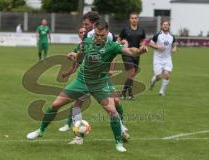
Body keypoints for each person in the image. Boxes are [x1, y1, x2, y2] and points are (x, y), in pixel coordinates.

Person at [26, 20, 147, 152]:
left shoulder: (112, 46)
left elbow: (130, 51)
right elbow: (80, 55)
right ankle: (40, 130)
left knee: (112, 112)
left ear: (107, 33)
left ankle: (118, 143)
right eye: (97, 35)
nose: (99, 38)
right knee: (55, 105)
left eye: (102, 35)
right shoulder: (87, 42)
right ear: (94, 32)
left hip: (99, 84)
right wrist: (75, 57)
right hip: (81, 81)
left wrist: (140, 51)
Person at [58, 12, 129, 145]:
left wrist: (111, 69)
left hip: (102, 77)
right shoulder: (86, 37)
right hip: (86, 77)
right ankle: (78, 137)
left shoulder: (108, 36)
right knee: (77, 104)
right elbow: (79, 58)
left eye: (86, 24)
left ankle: (122, 129)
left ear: (93, 23)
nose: (84, 27)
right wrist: (69, 70)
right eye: (83, 25)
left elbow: (114, 53)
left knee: (115, 101)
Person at [118, 12, 146, 100]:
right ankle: (130, 94)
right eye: (132, 18)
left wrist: (143, 46)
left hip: (136, 54)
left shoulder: (141, 30)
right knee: (132, 72)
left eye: (136, 18)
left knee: (132, 75)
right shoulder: (125, 30)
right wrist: (120, 44)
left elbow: (142, 41)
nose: (134, 20)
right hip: (126, 54)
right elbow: (119, 39)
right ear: (130, 19)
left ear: (138, 19)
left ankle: (123, 92)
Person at [149, 20, 177, 96]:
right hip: (158, 59)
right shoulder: (157, 35)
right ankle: (153, 81)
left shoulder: (172, 36)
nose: (165, 26)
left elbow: (174, 44)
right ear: (161, 26)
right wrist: (158, 47)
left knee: (167, 74)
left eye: (167, 25)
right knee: (158, 76)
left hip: (167, 58)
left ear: (169, 26)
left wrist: (174, 48)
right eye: (164, 24)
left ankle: (161, 91)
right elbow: (150, 44)